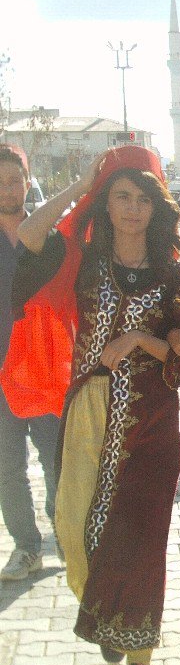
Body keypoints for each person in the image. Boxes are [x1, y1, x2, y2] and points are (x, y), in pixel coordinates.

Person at [15, 145, 180, 665]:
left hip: (152, 426)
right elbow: (29, 236)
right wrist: (81, 183)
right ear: (105, 203)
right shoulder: (83, 257)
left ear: (157, 208)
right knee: (75, 524)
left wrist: (140, 342)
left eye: (142, 199)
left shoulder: (176, 272)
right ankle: (108, 613)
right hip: (88, 417)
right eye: (120, 197)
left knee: (141, 543)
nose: (131, 209)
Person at [0, 144, 60, 581]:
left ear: (27, 180)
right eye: (1, 182)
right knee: (7, 469)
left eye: (14, 180)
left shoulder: (48, 236)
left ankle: (68, 536)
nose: (8, 190)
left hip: (43, 372)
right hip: (1, 378)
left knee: (57, 461)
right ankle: (26, 547)